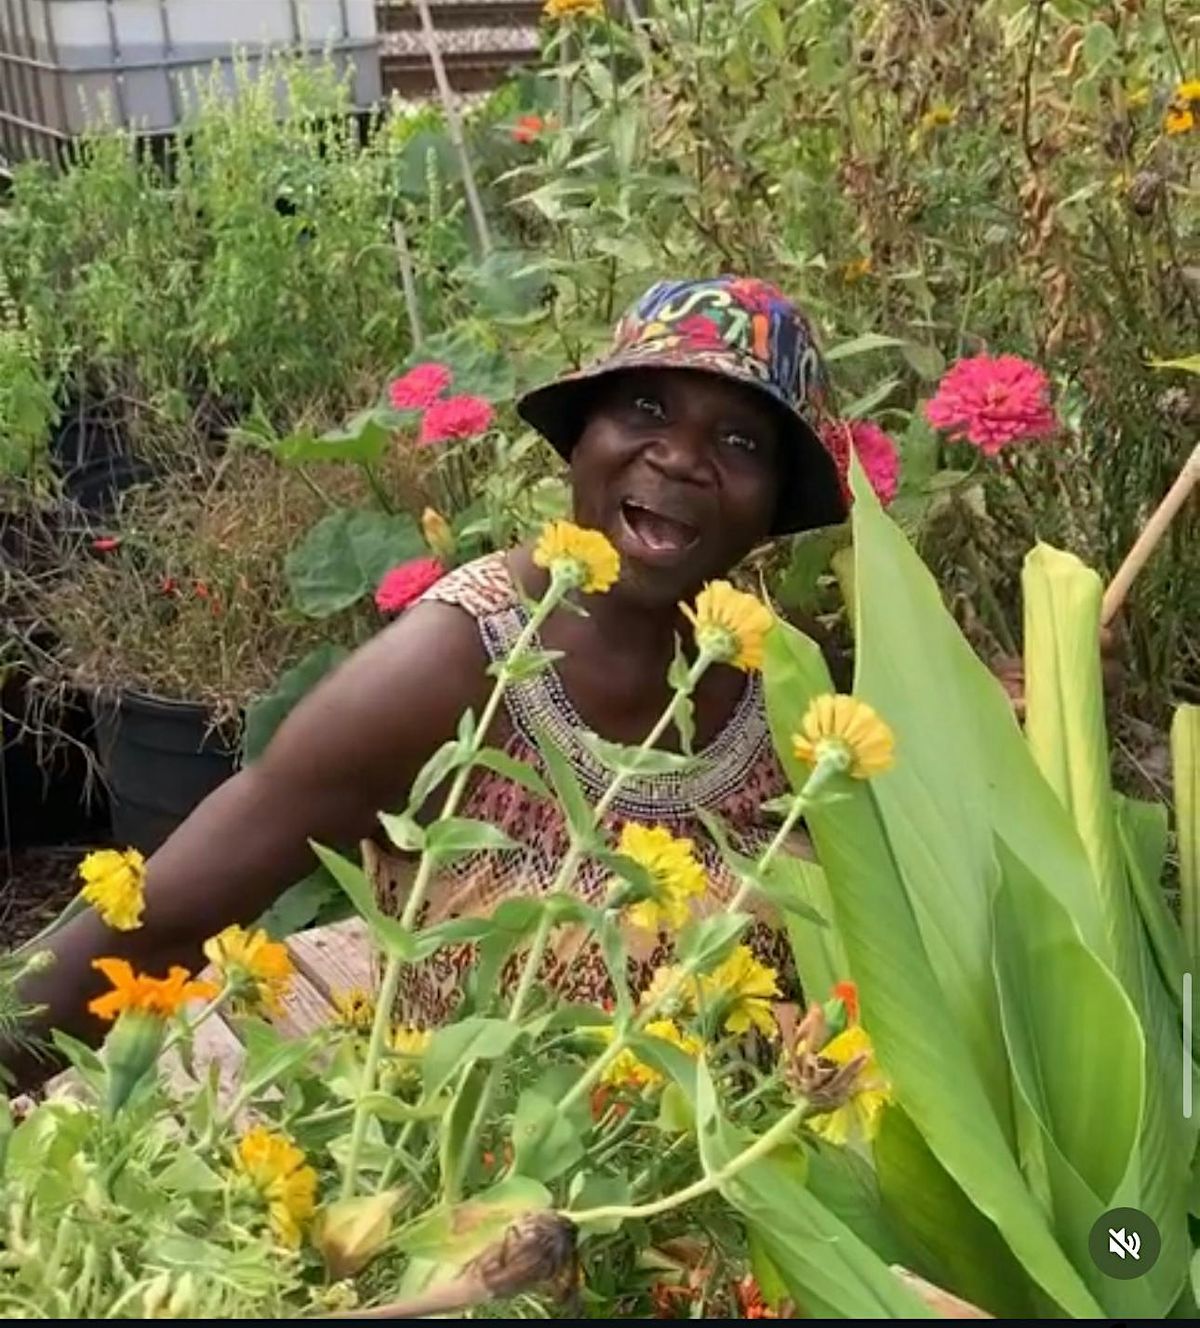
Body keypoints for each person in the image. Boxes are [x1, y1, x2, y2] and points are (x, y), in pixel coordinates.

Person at [6, 274, 852, 1086]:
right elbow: (165, 918)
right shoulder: (461, 660)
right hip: (479, 1167)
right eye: (646, 408)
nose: (680, 458)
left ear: (774, 503)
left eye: (740, 442)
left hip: (748, 1163)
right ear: (583, 438)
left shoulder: (777, 686)